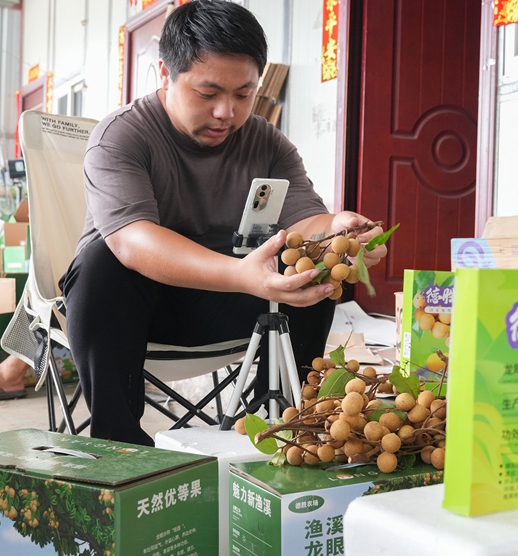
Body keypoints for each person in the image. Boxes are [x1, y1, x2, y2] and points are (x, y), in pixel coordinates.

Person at [57, 0, 386, 447]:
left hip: (228, 299)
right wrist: (240, 275)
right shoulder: (122, 136)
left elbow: (306, 221)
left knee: (312, 269)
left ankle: (281, 427)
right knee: (102, 265)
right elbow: (133, 242)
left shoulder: (267, 144)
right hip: (137, 311)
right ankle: (120, 446)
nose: (226, 113)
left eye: (243, 95)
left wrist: (338, 229)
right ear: (165, 74)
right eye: (208, 94)